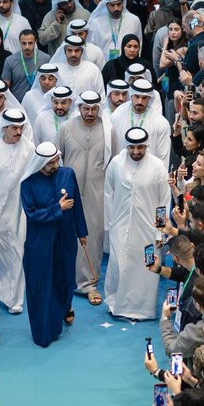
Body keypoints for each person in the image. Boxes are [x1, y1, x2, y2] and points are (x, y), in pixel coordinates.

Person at [20, 143, 88, 347]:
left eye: (56, 160)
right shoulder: (28, 183)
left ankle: (65, 308)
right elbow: (31, 214)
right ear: (40, 163)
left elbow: (77, 205)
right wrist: (57, 208)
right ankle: (44, 331)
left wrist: (81, 232)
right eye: (50, 163)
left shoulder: (68, 174)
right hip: (40, 243)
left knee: (65, 279)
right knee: (42, 285)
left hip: (65, 239)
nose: (55, 166)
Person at [104, 128, 171, 321]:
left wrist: (160, 232)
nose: (136, 152)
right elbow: (108, 194)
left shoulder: (157, 166)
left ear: (146, 146)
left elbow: (163, 201)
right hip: (119, 225)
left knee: (145, 268)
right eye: (132, 147)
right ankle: (115, 304)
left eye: (140, 147)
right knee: (118, 264)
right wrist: (109, 224)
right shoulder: (116, 163)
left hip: (148, 230)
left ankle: (142, 309)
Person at [57, 89, 117, 295]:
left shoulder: (109, 131)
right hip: (68, 193)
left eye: (94, 109)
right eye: (86, 108)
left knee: (93, 238)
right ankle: (65, 279)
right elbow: (56, 160)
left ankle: (89, 283)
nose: (90, 113)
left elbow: (114, 162)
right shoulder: (65, 128)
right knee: (66, 236)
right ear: (79, 107)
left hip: (97, 194)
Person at [0, 108, 36, 315]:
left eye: (21, 127)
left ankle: (14, 298)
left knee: (17, 250)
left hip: (19, 209)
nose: (18, 132)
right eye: (14, 128)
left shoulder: (29, 148)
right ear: (5, 128)